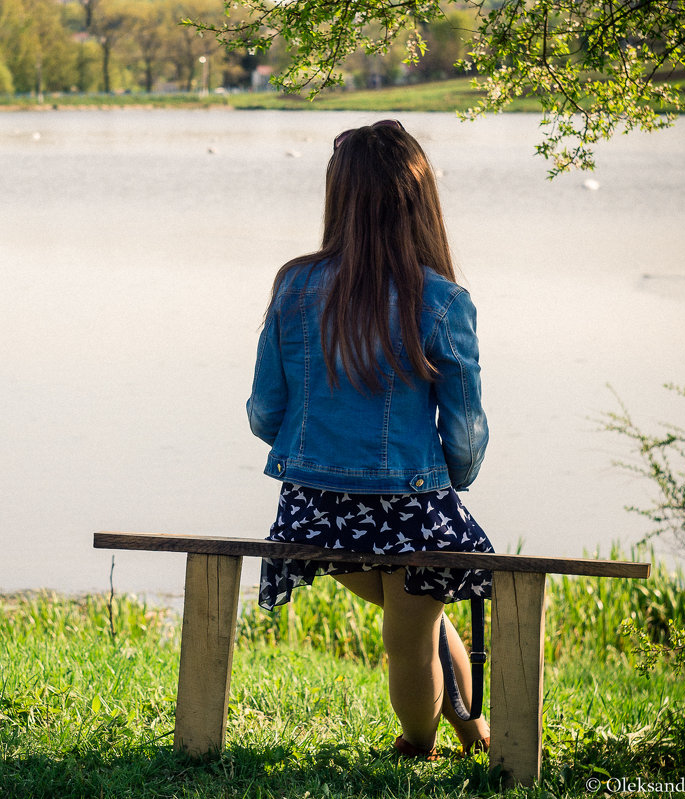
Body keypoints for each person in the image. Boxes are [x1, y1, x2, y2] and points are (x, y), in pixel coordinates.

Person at [246, 119, 493, 759]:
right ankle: (418, 746)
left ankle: (472, 730)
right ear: (419, 204)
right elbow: (464, 428)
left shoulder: (293, 286)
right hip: (412, 511)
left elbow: (264, 414)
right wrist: (451, 484)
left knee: (421, 619)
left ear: (340, 199)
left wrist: (312, 450)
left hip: (315, 513)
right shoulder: (441, 300)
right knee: (413, 632)